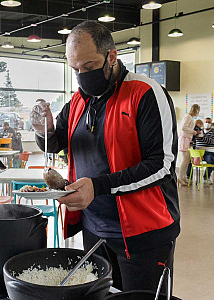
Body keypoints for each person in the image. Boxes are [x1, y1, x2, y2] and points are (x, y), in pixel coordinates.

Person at [30, 21, 180, 294]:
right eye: (75, 69)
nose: (82, 76)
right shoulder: (78, 101)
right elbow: (56, 143)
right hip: (94, 228)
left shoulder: (145, 93)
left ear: (111, 56)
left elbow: (161, 166)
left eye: (88, 67)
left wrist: (98, 186)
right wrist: (44, 131)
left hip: (143, 232)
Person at [177, 104, 200, 185]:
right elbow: (183, 127)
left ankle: (183, 177)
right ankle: (180, 178)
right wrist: (193, 132)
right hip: (184, 140)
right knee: (184, 160)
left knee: (187, 161)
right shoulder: (188, 117)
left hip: (187, 140)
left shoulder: (190, 117)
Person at [195, 117, 214, 184]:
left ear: (211, 124)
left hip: (209, 152)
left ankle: (206, 177)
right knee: (189, 160)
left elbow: (211, 141)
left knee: (211, 160)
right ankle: (188, 177)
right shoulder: (199, 131)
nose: (207, 123)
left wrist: (202, 137)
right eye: (206, 122)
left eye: (209, 122)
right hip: (198, 152)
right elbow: (195, 140)